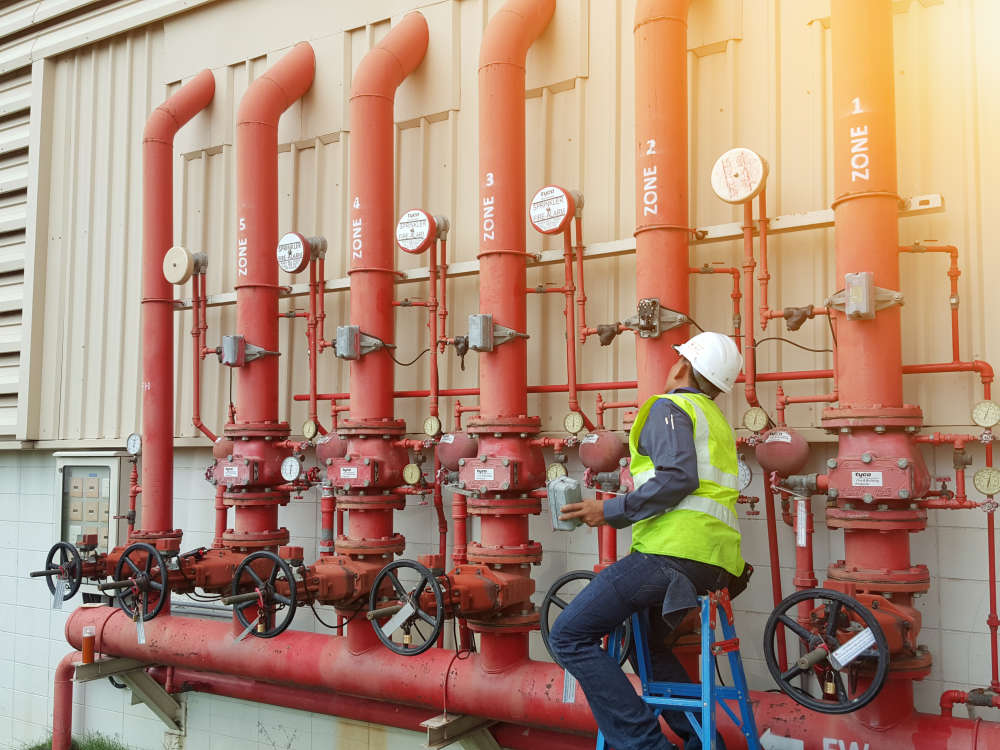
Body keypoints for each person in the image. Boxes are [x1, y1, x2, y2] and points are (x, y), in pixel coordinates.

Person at [549, 331, 749, 750]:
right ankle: (698, 743)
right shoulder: (714, 420)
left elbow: (678, 478)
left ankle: (645, 745)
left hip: (672, 555)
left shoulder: (669, 407)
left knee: (568, 634)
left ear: (682, 367)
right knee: (646, 650)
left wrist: (609, 510)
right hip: (715, 563)